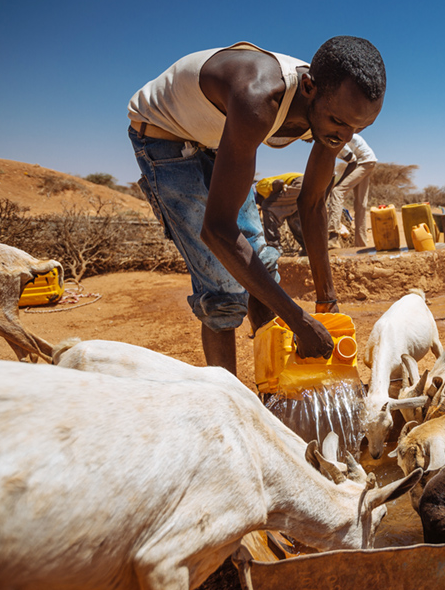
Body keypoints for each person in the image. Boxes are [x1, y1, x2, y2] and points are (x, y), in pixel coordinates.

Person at [127, 36, 384, 374]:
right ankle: (229, 404)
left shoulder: (335, 114)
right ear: (308, 88)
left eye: (359, 127)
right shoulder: (258, 99)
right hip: (164, 135)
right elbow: (217, 230)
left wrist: (327, 299)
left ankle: (271, 388)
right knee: (223, 294)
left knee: (262, 268)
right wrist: (298, 320)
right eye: (339, 122)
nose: (346, 136)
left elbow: (312, 203)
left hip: (218, 133)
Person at [328, 134, 377, 248]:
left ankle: (333, 236)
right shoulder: (335, 134)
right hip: (369, 161)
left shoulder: (335, 139)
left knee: (337, 192)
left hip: (363, 162)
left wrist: (339, 184)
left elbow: (352, 161)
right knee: (360, 204)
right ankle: (361, 244)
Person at [255, 172, 306, 255]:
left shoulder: (259, 186)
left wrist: (269, 201)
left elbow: (278, 182)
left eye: (258, 202)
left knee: (267, 206)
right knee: (292, 219)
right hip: (306, 182)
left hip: (298, 183)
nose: (259, 203)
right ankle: (306, 248)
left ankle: (274, 246)